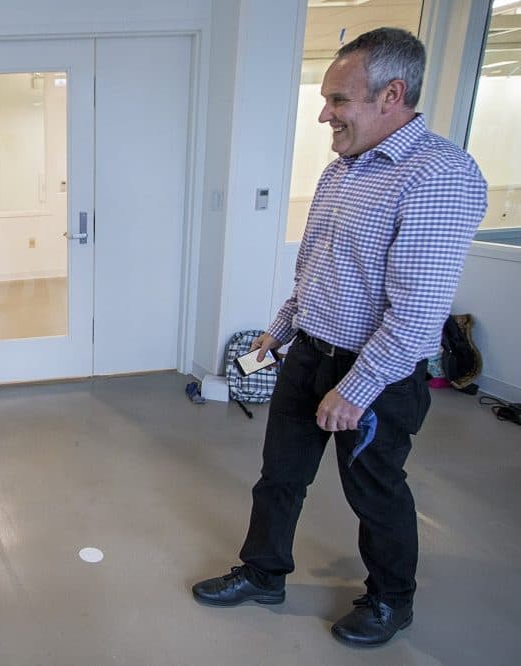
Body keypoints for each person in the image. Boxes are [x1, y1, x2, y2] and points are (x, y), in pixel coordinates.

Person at [191, 28, 487, 646]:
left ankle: (390, 602)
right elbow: (319, 274)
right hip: (310, 356)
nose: (325, 114)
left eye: (338, 100)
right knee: (280, 475)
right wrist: (274, 336)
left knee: (375, 493)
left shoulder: (439, 175)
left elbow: (418, 312)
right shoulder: (342, 171)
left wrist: (356, 388)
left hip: (375, 375)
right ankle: (263, 571)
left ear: (392, 94)